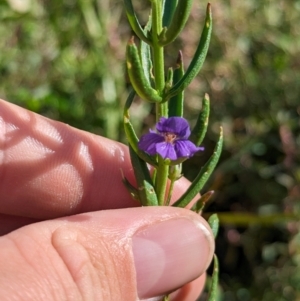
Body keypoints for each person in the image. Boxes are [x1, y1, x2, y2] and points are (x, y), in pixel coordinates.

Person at [0, 99, 214, 301]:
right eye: (167, 135)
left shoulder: (173, 144)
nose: (169, 138)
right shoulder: (156, 141)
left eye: (172, 136)